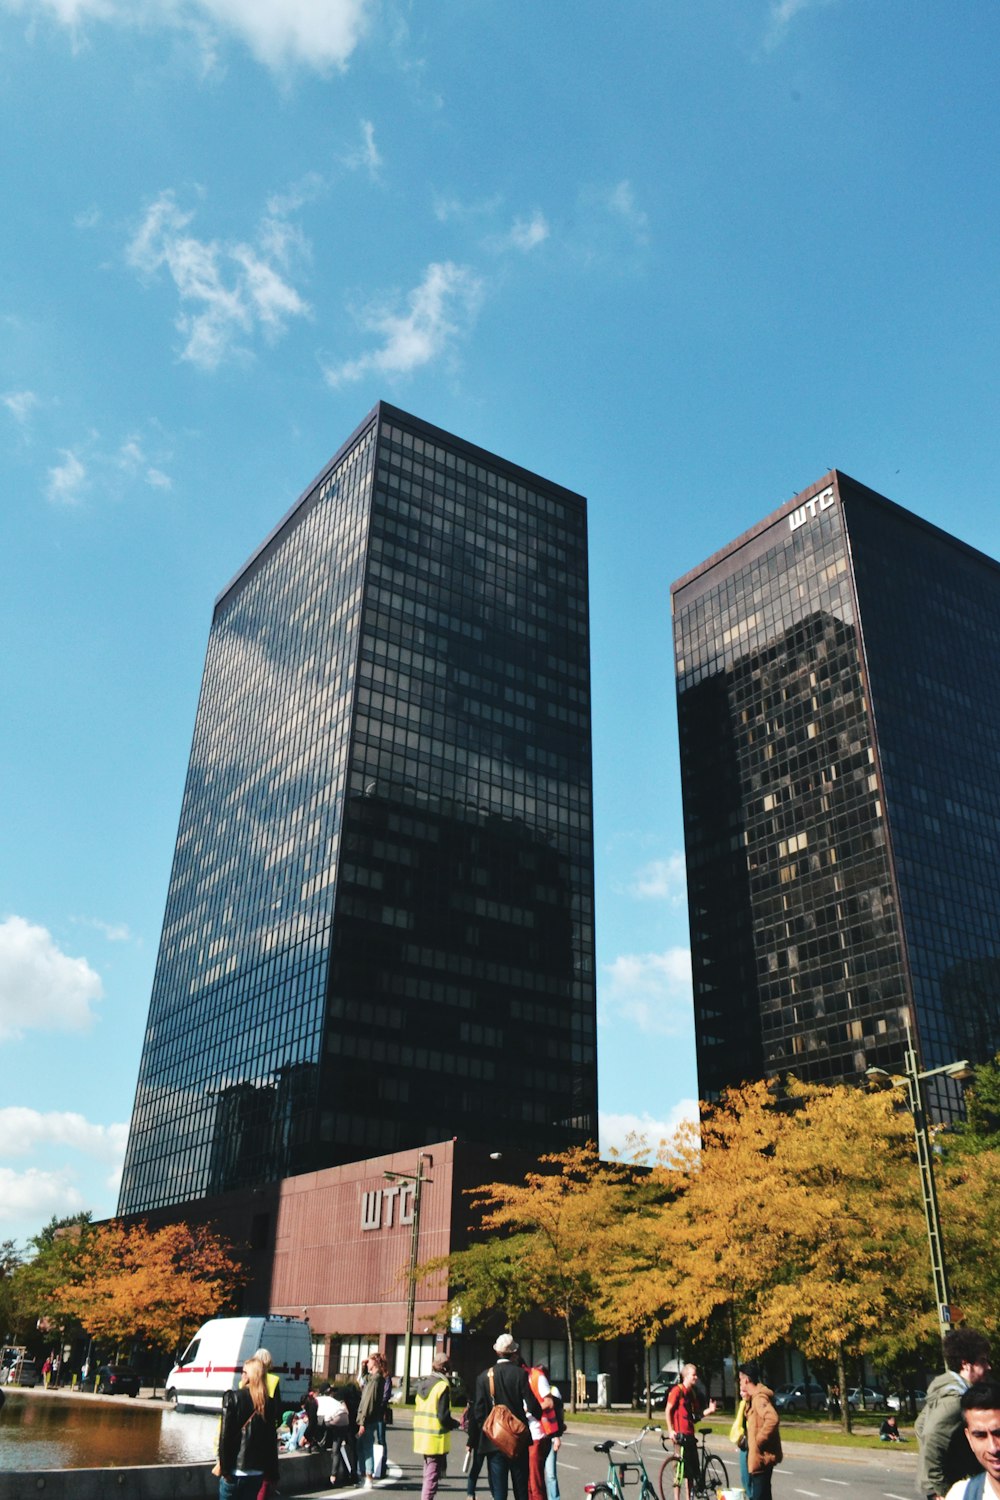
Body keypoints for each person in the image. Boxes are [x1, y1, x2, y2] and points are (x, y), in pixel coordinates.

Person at [918, 1328, 993, 1500]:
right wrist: (942, 1490)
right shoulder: (955, 1400)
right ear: (966, 1364)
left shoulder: (943, 1389)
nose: (988, 1366)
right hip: (951, 1488)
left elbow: (919, 1426)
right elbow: (930, 1436)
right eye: (982, 1361)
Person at [473, 1333, 542, 1500]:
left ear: (497, 1352)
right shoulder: (520, 1374)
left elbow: (478, 1412)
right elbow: (533, 1406)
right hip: (517, 1439)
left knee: (499, 1492)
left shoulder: (484, 1377)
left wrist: (489, 1428)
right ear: (514, 1353)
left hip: (495, 1441)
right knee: (521, 1490)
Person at [216, 1356, 280, 1500]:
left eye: (244, 1372)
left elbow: (225, 1437)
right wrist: (273, 1472)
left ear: (251, 1376)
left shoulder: (232, 1398)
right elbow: (271, 1440)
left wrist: (225, 1471)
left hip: (234, 1471)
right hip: (256, 1473)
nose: (242, 1375)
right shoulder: (268, 1403)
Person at [665, 1363, 717, 1500]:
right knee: (679, 1472)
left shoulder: (692, 1393)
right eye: (694, 1375)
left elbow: (695, 1416)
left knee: (692, 1473)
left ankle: (689, 1498)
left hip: (690, 1436)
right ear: (686, 1376)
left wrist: (709, 1411)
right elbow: (668, 1410)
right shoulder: (677, 1391)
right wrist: (671, 1431)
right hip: (679, 1436)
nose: (696, 1377)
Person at [943, 1382, 1000, 1499]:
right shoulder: (960, 1495)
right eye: (980, 1435)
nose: (993, 1448)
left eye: (998, 1434)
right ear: (969, 1438)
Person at [413, 1352, 457, 1500]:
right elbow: (443, 1416)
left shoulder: (423, 1384)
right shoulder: (442, 1386)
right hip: (435, 1438)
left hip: (422, 1435)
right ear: (445, 1368)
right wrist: (455, 1423)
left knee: (428, 1473)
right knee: (432, 1477)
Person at [738, 1361, 782, 1500]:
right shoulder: (753, 1399)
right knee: (765, 1496)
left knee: (758, 1496)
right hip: (760, 1457)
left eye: (740, 1380)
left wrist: (758, 1440)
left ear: (746, 1380)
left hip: (761, 1458)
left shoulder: (759, 1399)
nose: (740, 1384)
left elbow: (772, 1419)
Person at [526, 1360, 559, 1500]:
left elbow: (549, 1403)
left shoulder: (536, 1377)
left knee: (536, 1483)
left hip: (539, 1434)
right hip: (530, 1435)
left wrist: (528, 1409)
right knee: (530, 1483)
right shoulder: (527, 1378)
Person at [357, 1351, 389, 1488]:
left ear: (375, 1363)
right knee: (362, 1447)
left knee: (367, 1447)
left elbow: (369, 1401)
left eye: (370, 1361)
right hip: (368, 1418)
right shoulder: (374, 1378)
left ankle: (368, 1476)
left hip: (367, 1419)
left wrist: (363, 1421)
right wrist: (363, 1366)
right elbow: (363, 1378)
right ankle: (364, 1475)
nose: (367, 1363)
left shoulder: (376, 1380)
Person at [253, 1347, 282, 1426]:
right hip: (267, 1422)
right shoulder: (274, 1380)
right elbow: (277, 1407)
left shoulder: (246, 1380)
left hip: (250, 1422)